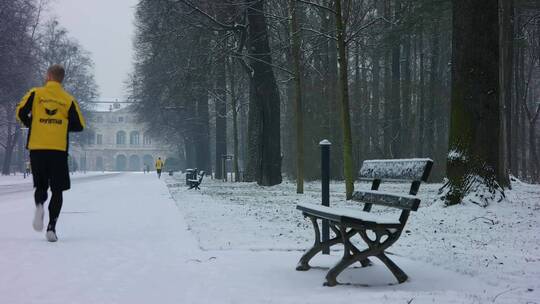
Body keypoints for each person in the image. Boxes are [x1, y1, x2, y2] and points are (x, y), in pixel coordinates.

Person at [16, 64, 85, 242]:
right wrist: (60, 125)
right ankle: (51, 227)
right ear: (62, 79)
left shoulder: (35, 93)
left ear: (48, 76)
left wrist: (34, 123)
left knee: (40, 186)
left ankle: (39, 205)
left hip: (37, 148)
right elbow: (80, 125)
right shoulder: (68, 99)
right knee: (57, 190)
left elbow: (20, 112)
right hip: (58, 150)